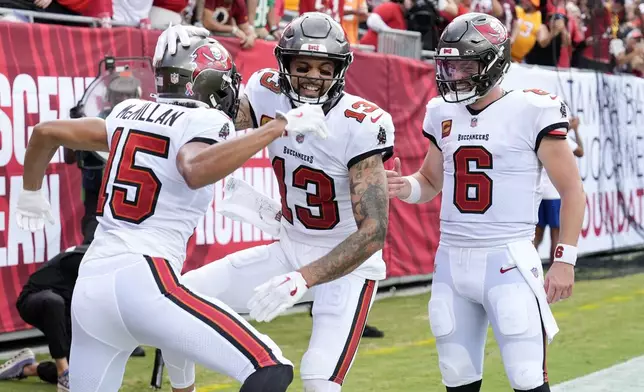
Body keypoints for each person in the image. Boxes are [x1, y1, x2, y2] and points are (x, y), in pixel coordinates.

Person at [16, 35, 330, 392]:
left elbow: (46, 132)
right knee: (269, 367)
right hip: (145, 278)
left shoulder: (127, 112)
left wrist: (30, 193)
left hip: (91, 288)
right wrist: (277, 126)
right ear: (209, 84)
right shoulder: (209, 120)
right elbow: (193, 169)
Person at [154, 12, 394, 391]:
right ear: (283, 64)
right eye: (302, 65)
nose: (314, 76)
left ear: (339, 69)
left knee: (318, 379)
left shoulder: (359, 122)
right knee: (178, 303)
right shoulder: (266, 92)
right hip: (289, 246)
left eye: (323, 67)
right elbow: (215, 114)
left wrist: (303, 279)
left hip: (348, 265)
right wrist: (187, 59)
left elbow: (374, 233)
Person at [386, 13, 585, 392]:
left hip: (506, 259)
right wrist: (403, 187)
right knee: (457, 379)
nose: (455, 74)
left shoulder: (531, 109)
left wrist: (565, 260)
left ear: (494, 63)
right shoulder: (441, 112)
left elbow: (573, 190)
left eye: (465, 64)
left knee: (527, 379)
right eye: (449, 64)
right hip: (450, 261)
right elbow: (429, 181)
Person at [534, 115, 583, 262]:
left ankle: (530, 272)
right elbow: (580, 151)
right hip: (554, 195)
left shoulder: (539, 135)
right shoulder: (559, 136)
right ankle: (552, 270)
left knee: (537, 236)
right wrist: (575, 129)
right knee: (556, 235)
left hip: (539, 194)